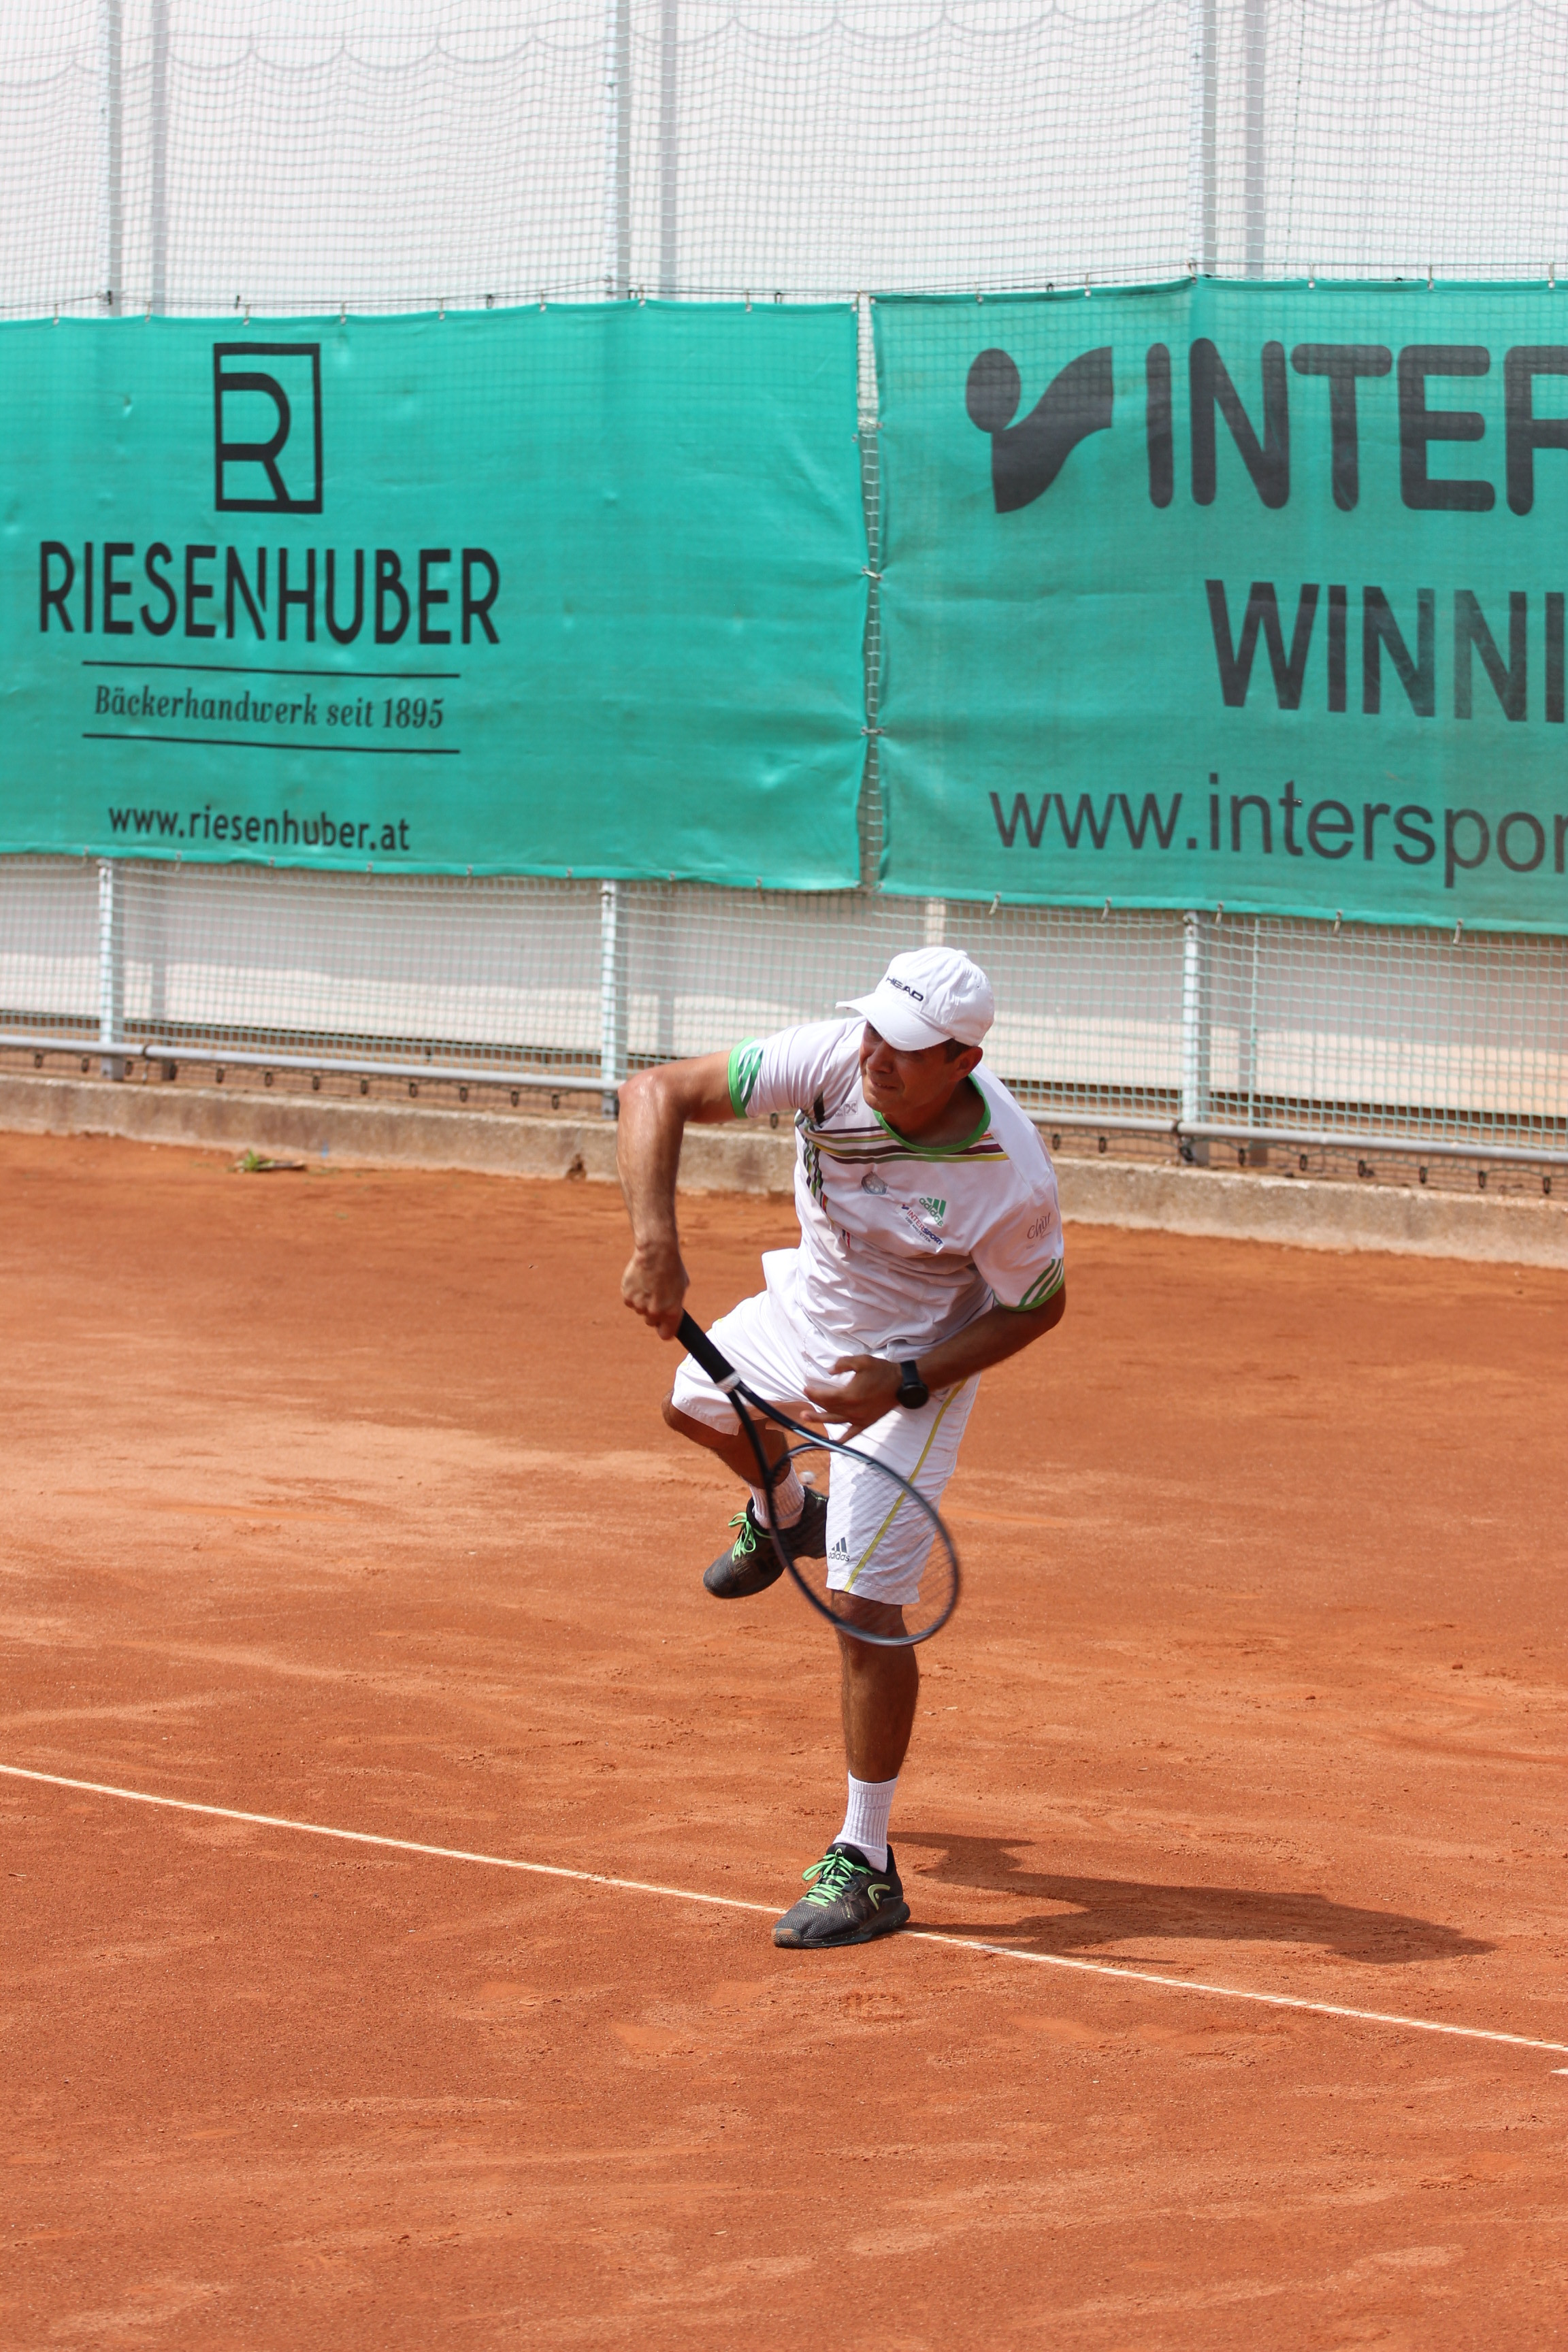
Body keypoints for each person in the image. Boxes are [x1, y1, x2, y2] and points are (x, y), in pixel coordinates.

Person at [617, 945, 1066, 1950]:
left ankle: (866, 1863)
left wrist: (902, 1381)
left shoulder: (1009, 1178)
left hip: (914, 1369)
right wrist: (656, 1242)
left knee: (864, 1609)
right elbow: (654, 1092)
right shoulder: (831, 1059)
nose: (876, 1057)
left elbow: (1039, 1306)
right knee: (695, 1409)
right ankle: (785, 1514)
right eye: (873, 1030)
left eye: (905, 1047)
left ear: (961, 1060)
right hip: (806, 1315)